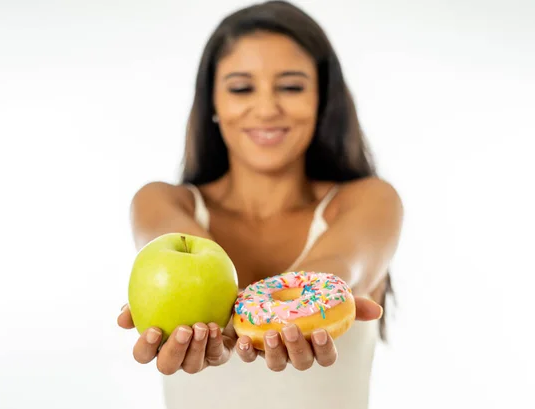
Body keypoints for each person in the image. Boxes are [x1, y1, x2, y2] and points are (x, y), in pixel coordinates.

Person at [117, 1, 404, 408]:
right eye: (240, 87)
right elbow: (196, 273)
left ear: (323, 98)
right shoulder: (162, 202)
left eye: (291, 86)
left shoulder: (370, 200)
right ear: (212, 101)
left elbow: (342, 266)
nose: (267, 108)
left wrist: (274, 316)